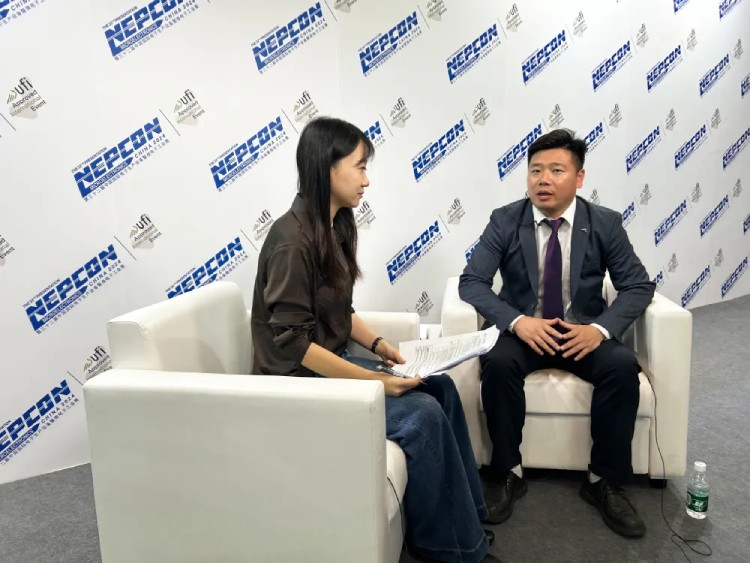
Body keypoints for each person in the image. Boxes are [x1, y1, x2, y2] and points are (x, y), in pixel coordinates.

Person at [251, 116, 501, 563]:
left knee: (441, 388)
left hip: (324, 368)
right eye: (360, 167)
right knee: (421, 415)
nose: (367, 180)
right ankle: (451, 548)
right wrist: (375, 383)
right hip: (295, 383)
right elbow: (293, 344)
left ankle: (466, 519)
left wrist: (381, 347)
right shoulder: (292, 241)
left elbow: (338, 311)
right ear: (326, 167)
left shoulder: (333, 226)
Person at [459, 129, 655, 538]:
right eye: (535, 170)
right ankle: (507, 472)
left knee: (622, 368)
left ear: (579, 177)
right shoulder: (505, 220)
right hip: (524, 331)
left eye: (556, 170)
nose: (543, 179)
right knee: (498, 364)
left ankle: (604, 480)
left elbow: (637, 285)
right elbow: (472, 282)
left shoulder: (604, 223)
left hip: (580, 331)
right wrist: (517, 321)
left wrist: (599, 329)